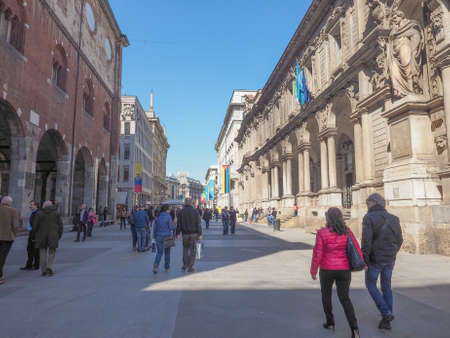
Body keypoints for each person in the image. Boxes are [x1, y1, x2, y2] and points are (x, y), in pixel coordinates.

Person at [310, 208, 362, 338]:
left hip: (327, 269)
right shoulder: (347, 231)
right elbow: (355, 248)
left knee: (326, 296)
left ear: (328, 218)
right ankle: (355, 329)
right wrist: (363, 263)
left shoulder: (322, 233)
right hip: (344, 270)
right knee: (345, 299)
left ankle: (330, 322)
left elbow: (318, 252)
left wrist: (313, 270)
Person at [362, 193, 403, 330]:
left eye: (368, 203)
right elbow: (399, 240)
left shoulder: (368, 218)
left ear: (374, 202)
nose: (366, 205)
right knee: (386, 287)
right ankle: (387, 320)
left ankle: (386, 312)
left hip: (375, 259)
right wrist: (392, 253)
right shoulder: (394, 218)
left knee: (370, 284)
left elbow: (366, 242)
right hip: (390, 258)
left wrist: (364, 260)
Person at [34, 200, 63, 277]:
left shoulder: (39, 213)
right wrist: (59, 235)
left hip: (41, 236)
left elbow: (35, 226)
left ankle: (43, 270)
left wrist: (35, 235)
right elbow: (60, 225)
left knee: (42, 252)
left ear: (44, 205)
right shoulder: (56, 213)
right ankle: (49, 267)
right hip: (53, 235)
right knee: (52, 252)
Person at [176, 198, 203, 273]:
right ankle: (190, 266)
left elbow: (179, 224)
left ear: (185, 203)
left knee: (185, 250)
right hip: (193, 234)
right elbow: (198, 224)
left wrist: (177, 233)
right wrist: (200, 234)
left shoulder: (181, 212)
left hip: (185, 234)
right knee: (192, 250)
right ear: (191, 203)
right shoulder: (195, 211)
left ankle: (185, 265)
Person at [0, 196, 19, 285]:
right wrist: (14, 234)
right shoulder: (13, 211)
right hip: (7, 238)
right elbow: (15, 226)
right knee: (2, 257)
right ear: (10, 203)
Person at [152, 205, 177, 274]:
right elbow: (171, 227)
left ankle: (156, 265)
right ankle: (166, 266)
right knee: (167, 253)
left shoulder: (158, 217)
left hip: (158, 237)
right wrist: (175, 225)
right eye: (169, 209)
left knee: (159, 252)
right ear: (166, 210)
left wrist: (154, 237)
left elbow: (155, 228)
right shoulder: (168, 217)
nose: (169, 210)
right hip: (167, 237)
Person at [20, 201, 40, 271]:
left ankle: (36, 265)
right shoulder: (33, 213)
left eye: (31, 205)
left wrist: (34, 235)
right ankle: (29, 265)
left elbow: (36, 225)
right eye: (30, 205)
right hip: (32, 233)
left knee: (35, 250)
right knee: (30, 250)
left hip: (35, 235)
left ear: (36, 206)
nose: (30, 206)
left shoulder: (37, 213)